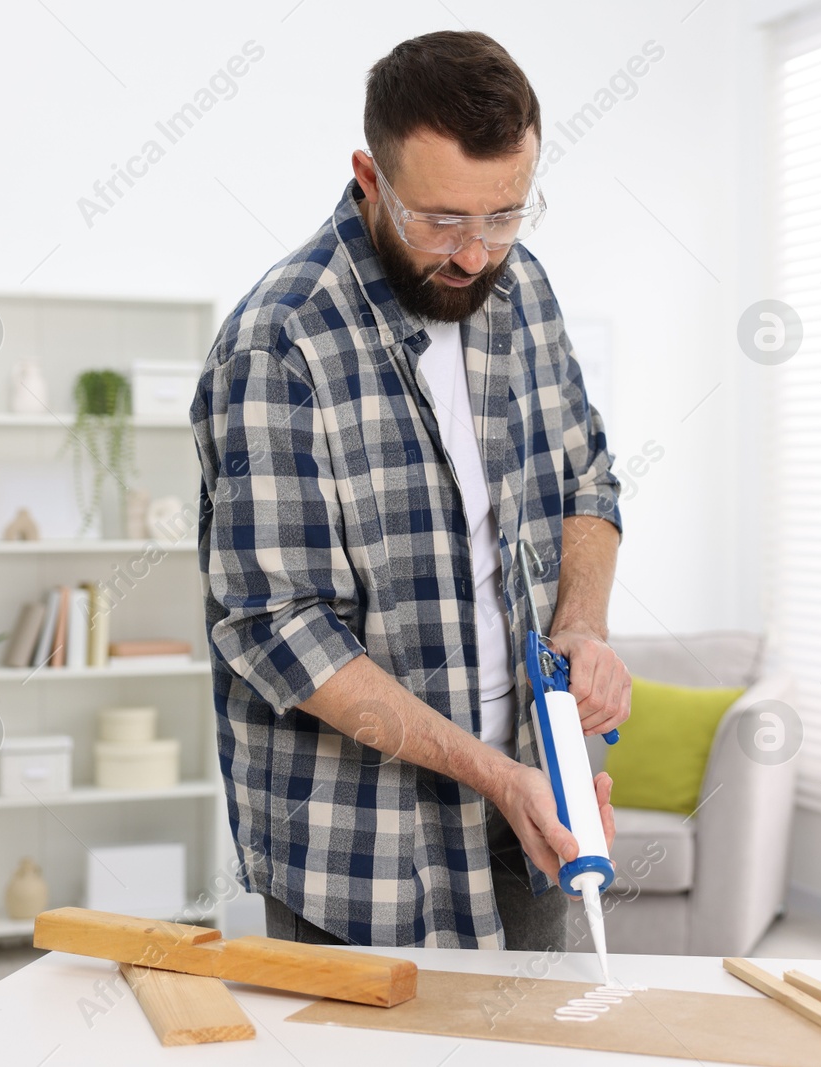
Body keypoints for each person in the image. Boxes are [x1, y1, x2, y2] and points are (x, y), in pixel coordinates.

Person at [190, 30, 630, 951]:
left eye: (506, 214)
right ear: (367, 175)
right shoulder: (280, 344)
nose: (476, 254)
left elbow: (587, 477)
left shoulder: (524, 294)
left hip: (531, 811)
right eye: (441, 220)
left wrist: (581, 625)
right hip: (363, 854)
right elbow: (281, 627)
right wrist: (491, 774)